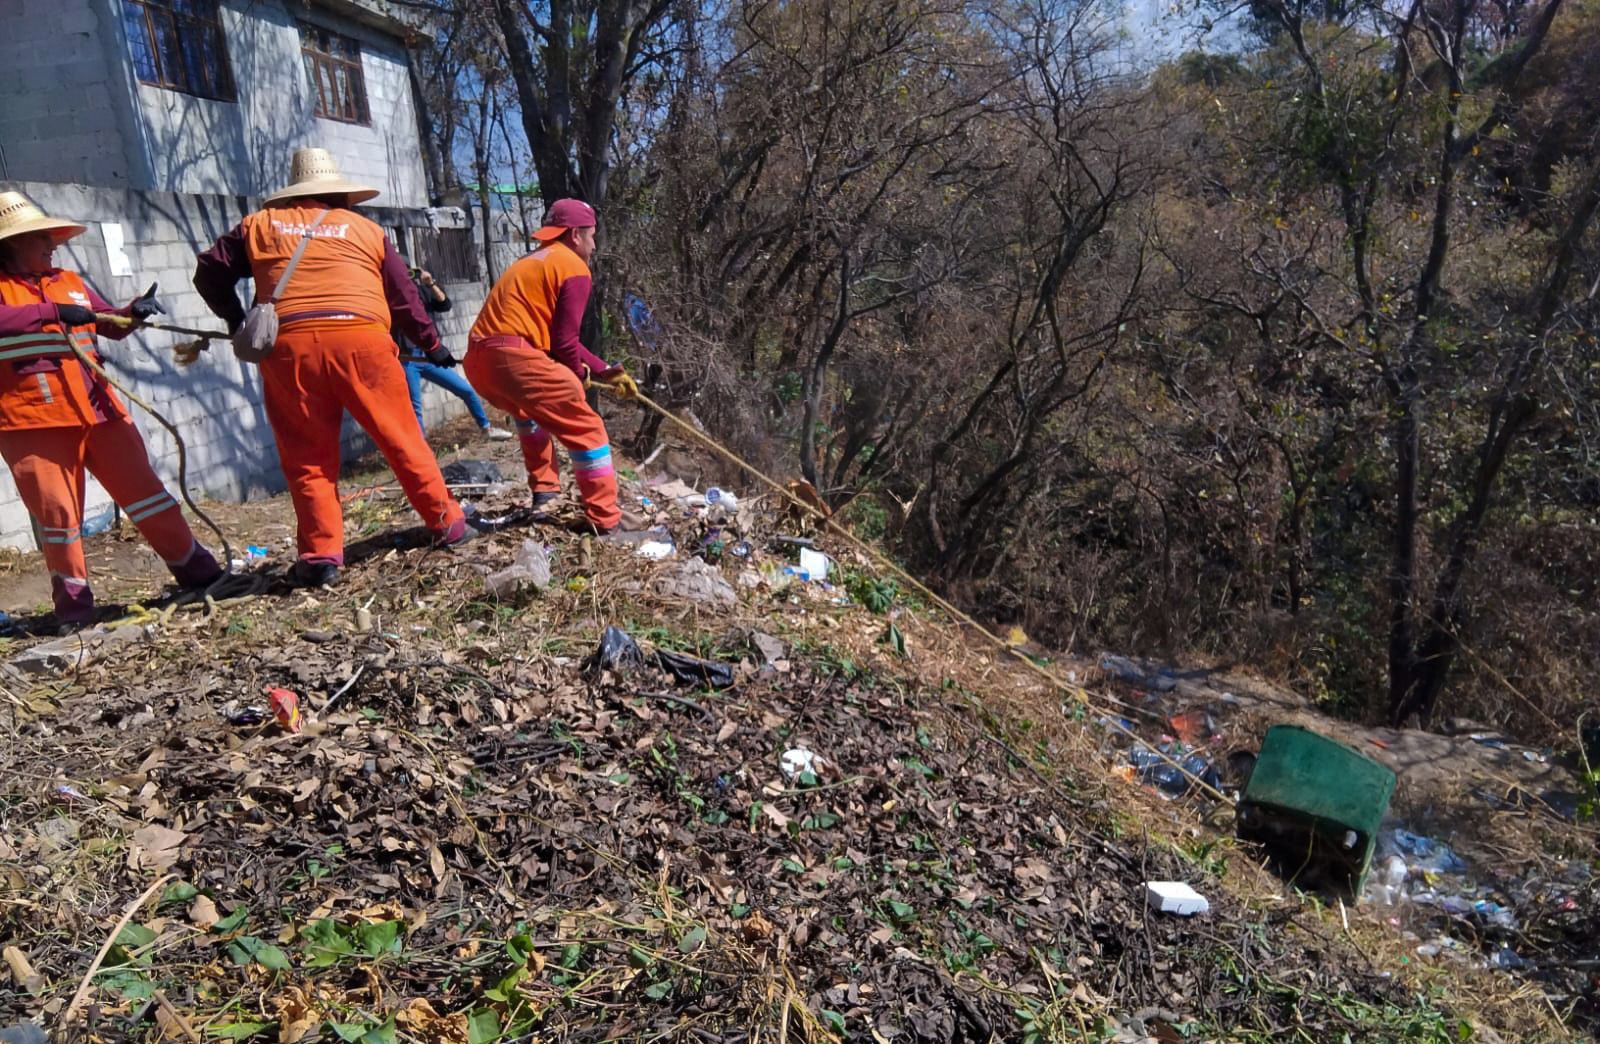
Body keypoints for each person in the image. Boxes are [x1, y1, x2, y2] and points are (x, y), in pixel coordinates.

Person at [193, 148, 475, 587]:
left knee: (307, 456)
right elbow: (403, 297)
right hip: (363, 342)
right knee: (401, 438)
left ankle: (322, 555)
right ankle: (448, 524)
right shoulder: (366, 230)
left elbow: (209, 270)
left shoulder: (258, 226)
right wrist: (434, 345)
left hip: (289, 349)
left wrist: (236, 321)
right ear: (341, 196)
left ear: (293, 195)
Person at [0, 190, 223, 629]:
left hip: (101, 414)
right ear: (11, 245)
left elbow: (106, 322)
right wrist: (49, 312)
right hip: (33, 422)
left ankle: (200, 573)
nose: (52, 244)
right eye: (41, 237)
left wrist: (132, 312)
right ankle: (76, 611)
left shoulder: (69, 281)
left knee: (150, 496)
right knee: (59, 520)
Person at [465, 199, 642, 535]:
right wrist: (577, 376)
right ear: (575, 235)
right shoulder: (574, 267)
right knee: (588, 429)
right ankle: (606, 520)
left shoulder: (532, 261)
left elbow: (561, 340)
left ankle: (545, 492)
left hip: (480, 359)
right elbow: (563, 343)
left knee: (529, 413)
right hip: (515, 357)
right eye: (591, 236)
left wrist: (606, 370)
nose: (594, 245)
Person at [396, 268, 511, 441]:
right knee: (415, 408)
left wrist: (430, 283)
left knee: (466, 390)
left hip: (428, 356)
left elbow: (445, 305)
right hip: (407, 359)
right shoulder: (389, 297)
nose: (406, 276)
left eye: (410, 272)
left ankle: (486, 429)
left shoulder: (421, 292)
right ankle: (423, 450)